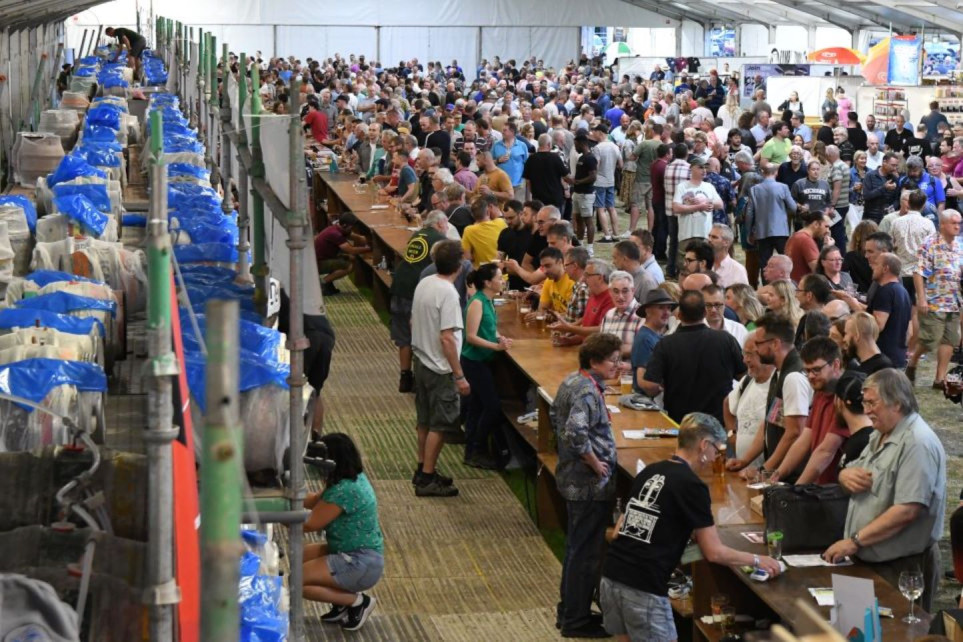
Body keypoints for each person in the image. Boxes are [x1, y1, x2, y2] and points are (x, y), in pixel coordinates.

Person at [600, 412, 781, 642]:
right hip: (643, 587)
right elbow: (714, 552)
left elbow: (618, 531)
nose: (717, 456)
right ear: (704, 445)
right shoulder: (692, 485)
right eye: (717, 450)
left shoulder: (649, 471)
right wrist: (757, 560)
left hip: (612, 575)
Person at [823, 369, 946, 612]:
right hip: (874, 560)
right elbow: (855, 471)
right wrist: (844, 474)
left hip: (902, 568)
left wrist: (855, 541)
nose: (866, 410)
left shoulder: (917, 443)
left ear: (896, 403)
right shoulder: (881, 433)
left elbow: (907, 510)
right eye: (864, 402)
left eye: (872, 403)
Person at [551, 333, 622, 638]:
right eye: (613, 361)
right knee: (586, 553)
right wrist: (595, 462)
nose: (618, 366)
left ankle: (569, 610)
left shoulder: (572, 381)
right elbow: (575, 432)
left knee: (576, 548)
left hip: (573, 477)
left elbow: (557, 416)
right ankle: (576, 620)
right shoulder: (586, 393)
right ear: (594, 362)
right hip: (588, 484)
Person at [303, 433, 383, 631]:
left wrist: (276, 513)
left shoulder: (344, 491)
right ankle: (340, 603)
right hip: (354, 552)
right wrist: (285, 492)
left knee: (297, 581)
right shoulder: (348, 478)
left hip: (359, 562)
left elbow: (310, 524)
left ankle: (357, 602)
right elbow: (313, 500)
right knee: (300, 555)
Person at [411, 240, 469, 498]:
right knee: (441, 425)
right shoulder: (448, 293)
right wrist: (459, 375)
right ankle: (426, 478)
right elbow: (448, 338)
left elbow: (413, 320)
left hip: (421, 360)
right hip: (440, 368)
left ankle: (423, 467)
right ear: (459, 265)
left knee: (424, 420)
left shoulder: (425, 283)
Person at [640, 290, 746, 424]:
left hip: (680, 422)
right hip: (719, 421)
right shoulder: (726, 340)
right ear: (704, 313)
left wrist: (646, 377)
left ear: (679, 315)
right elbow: (743, 375)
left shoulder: (665, 344)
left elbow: (651, 385)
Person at [727, 313, 813, 477]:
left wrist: (764, 470)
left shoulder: (793, 377)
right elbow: (771, 420)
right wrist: (745, 461)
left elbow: (795, 432)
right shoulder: (779, 373)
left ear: (775, 344)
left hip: (790, 476)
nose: (757, 350)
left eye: (758, 343)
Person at [771, 337, 849, 484]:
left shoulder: (844, 397)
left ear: (836, 365)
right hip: (818, 487)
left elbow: (825, 452)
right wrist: (776, 475)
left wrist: (797, 490)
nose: (811, 376)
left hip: (835, 491)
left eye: (817, 370)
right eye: (807, 371)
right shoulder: (820, 392)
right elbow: (804, 441)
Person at [461, 263, 513, 469]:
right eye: (500, 278)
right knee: (492, 407)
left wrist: (501, 338)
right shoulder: (478, 303)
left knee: (477, 406)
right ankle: (478, 447)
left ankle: (471, 451)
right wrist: (496, 346)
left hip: (483, 360)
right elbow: (471, 337)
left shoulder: (489, 301)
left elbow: (489, 328)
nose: (503, 281)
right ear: (487, 282)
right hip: (474, 361)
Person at [391, 212, 450, 393]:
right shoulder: (441, 241)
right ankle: (421, 380)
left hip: (399, 286)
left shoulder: (418, 234)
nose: (448, 228)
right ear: (440, 224)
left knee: (403, 337)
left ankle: (405, 377)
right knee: (420, 336)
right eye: (447, 224)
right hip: (416, 291)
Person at [909, 209, 963, 388]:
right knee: (930, 339)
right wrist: (921, 299)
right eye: (954, 223)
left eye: (959, 223)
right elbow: (918, 272)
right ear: (943, 224)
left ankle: (939, 379)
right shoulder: (930, 243)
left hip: (954, 301)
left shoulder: (960, 244)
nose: (957, 226)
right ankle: (912, 362)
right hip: (934, 300)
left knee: (950, 339)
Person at [724, 334, 775, 470]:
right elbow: (727, 404)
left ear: (765, 354)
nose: (745, 360)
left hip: (765, 473)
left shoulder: (778, 384)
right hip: (743, 470)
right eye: (744, 354)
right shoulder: (747, 381)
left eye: (750, 354)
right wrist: (731, 434)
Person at [672, 157, 722, 273]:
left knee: (704, 265)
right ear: (691, 169)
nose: (704, 170)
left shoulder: (709, 187)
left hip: (704, 233)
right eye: (700, 167)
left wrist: (708, 203)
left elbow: (720, 204)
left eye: (705, 167)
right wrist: (699, 207)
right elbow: (676, 207)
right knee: (685, 266)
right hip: (687, 233)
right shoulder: (683, 187)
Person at [548, 258, 614, 344]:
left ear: (600, 278)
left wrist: (570, 328)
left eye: (587, 275)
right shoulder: (593, 295)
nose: (583, 279)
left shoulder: (611, 298)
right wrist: (570, 340)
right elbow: (587, 327)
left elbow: (602, 330)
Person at [747, 163, 796, 273]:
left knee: (764, 264)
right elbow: (793, 208)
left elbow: (750, 212)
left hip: (762, 231)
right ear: (776, 172)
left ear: (762, 173)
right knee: (787, 261)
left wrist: (749, 231)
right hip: (781, 231)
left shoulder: (754, 189)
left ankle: (766, 288)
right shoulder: (783, 187)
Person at [867, 253, 912, 368]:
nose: (872, 267)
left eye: (876, 264)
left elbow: (878, 325)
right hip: (899, 357)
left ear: (885, 268)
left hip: (884, 360)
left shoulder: (885, 292)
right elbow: (909, 331)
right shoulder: (903, 292)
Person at [314, 212, 372, 296]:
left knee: (351, 258)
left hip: (324, 257)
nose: (352, 229)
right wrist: (368, 249)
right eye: (351, 227)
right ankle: (322, 283)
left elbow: (355, 236)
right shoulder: (336, 234)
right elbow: (351, 250)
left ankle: (328, 282)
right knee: (348, 266)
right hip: (319, 262)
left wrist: (363, 239)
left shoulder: (337, 228)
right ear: (345, 225)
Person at [630, 289, 676, 392]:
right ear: (648, 311)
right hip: (645, 403)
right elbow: (642, 381)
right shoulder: (645, 339)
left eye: (668, 308)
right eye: (661, 308)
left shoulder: (655, 336)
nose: (667, 313)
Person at [599, 271, 644, 359]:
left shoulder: (642, 315)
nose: (620, 297)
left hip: (629, 370)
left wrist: (608, 351)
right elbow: (601, 344)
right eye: (616, 291)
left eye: (625, 291)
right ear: (610, 292)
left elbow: (641, 349)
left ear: (633, 291)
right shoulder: (608, 314)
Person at [591, 125, 624, 242]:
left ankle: (607, 235)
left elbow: (596, 166)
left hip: (600, 181)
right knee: (611, 207)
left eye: (594, 132)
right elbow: (621, 165)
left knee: (600, 208)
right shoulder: (615, 147)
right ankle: (616, 234)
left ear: (599, 133)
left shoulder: (597, 148)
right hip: (611, 180)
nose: (592, 134)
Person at [567, 133, 599, 247]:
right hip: (577, 192)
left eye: (576, 145)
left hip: (586, 194)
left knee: (588, 220)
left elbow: (593, 176)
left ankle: (590, 248)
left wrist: (579, 182)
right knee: (579, 219)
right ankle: (580, 244)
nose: (575, 148)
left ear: (582, 144)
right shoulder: (581, 157)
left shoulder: (590, 158)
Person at [785, 209, 832, 284]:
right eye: (826, 226)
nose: (828, 231)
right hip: (803, 288)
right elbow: (818, 270)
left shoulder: (794, 237)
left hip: (795, 286)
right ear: (816, 224)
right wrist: (827, 248)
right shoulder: (806, 240)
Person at [461, 194, 507, 266]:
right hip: (501, 271)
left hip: (481, 272)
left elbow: (467, 257)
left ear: (472, 215)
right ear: (488, 212)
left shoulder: (469, 230)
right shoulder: (501, 222)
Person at [524, 133, 568, 209]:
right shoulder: (555, 158)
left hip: (538, 199)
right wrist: (567, 188)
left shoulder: (531, 159)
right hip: (555, 198)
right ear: (549, 144)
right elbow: (565, 176)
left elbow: (528, 181)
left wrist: (532, 193)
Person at [612, 241, 657, 305]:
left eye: (615, 258)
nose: (613, 262)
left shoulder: (646, 282)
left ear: (624, 259)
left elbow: (649, 310)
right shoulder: (620, 276)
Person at [862, 152, 901, 223]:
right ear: (884, 162)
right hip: (871, 217)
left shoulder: (895, 178)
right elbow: (866, 196)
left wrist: (893, 207)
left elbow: (897, 199)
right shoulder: (870, 176)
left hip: (888, 217)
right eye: (892, 165)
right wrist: (884, 188)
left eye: (896, 166)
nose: (894, 168)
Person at [842, 220, 878, 294]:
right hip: (876, 294)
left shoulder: (850, 256)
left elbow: (843, 276)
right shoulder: (880, 256)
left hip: (857, 296)